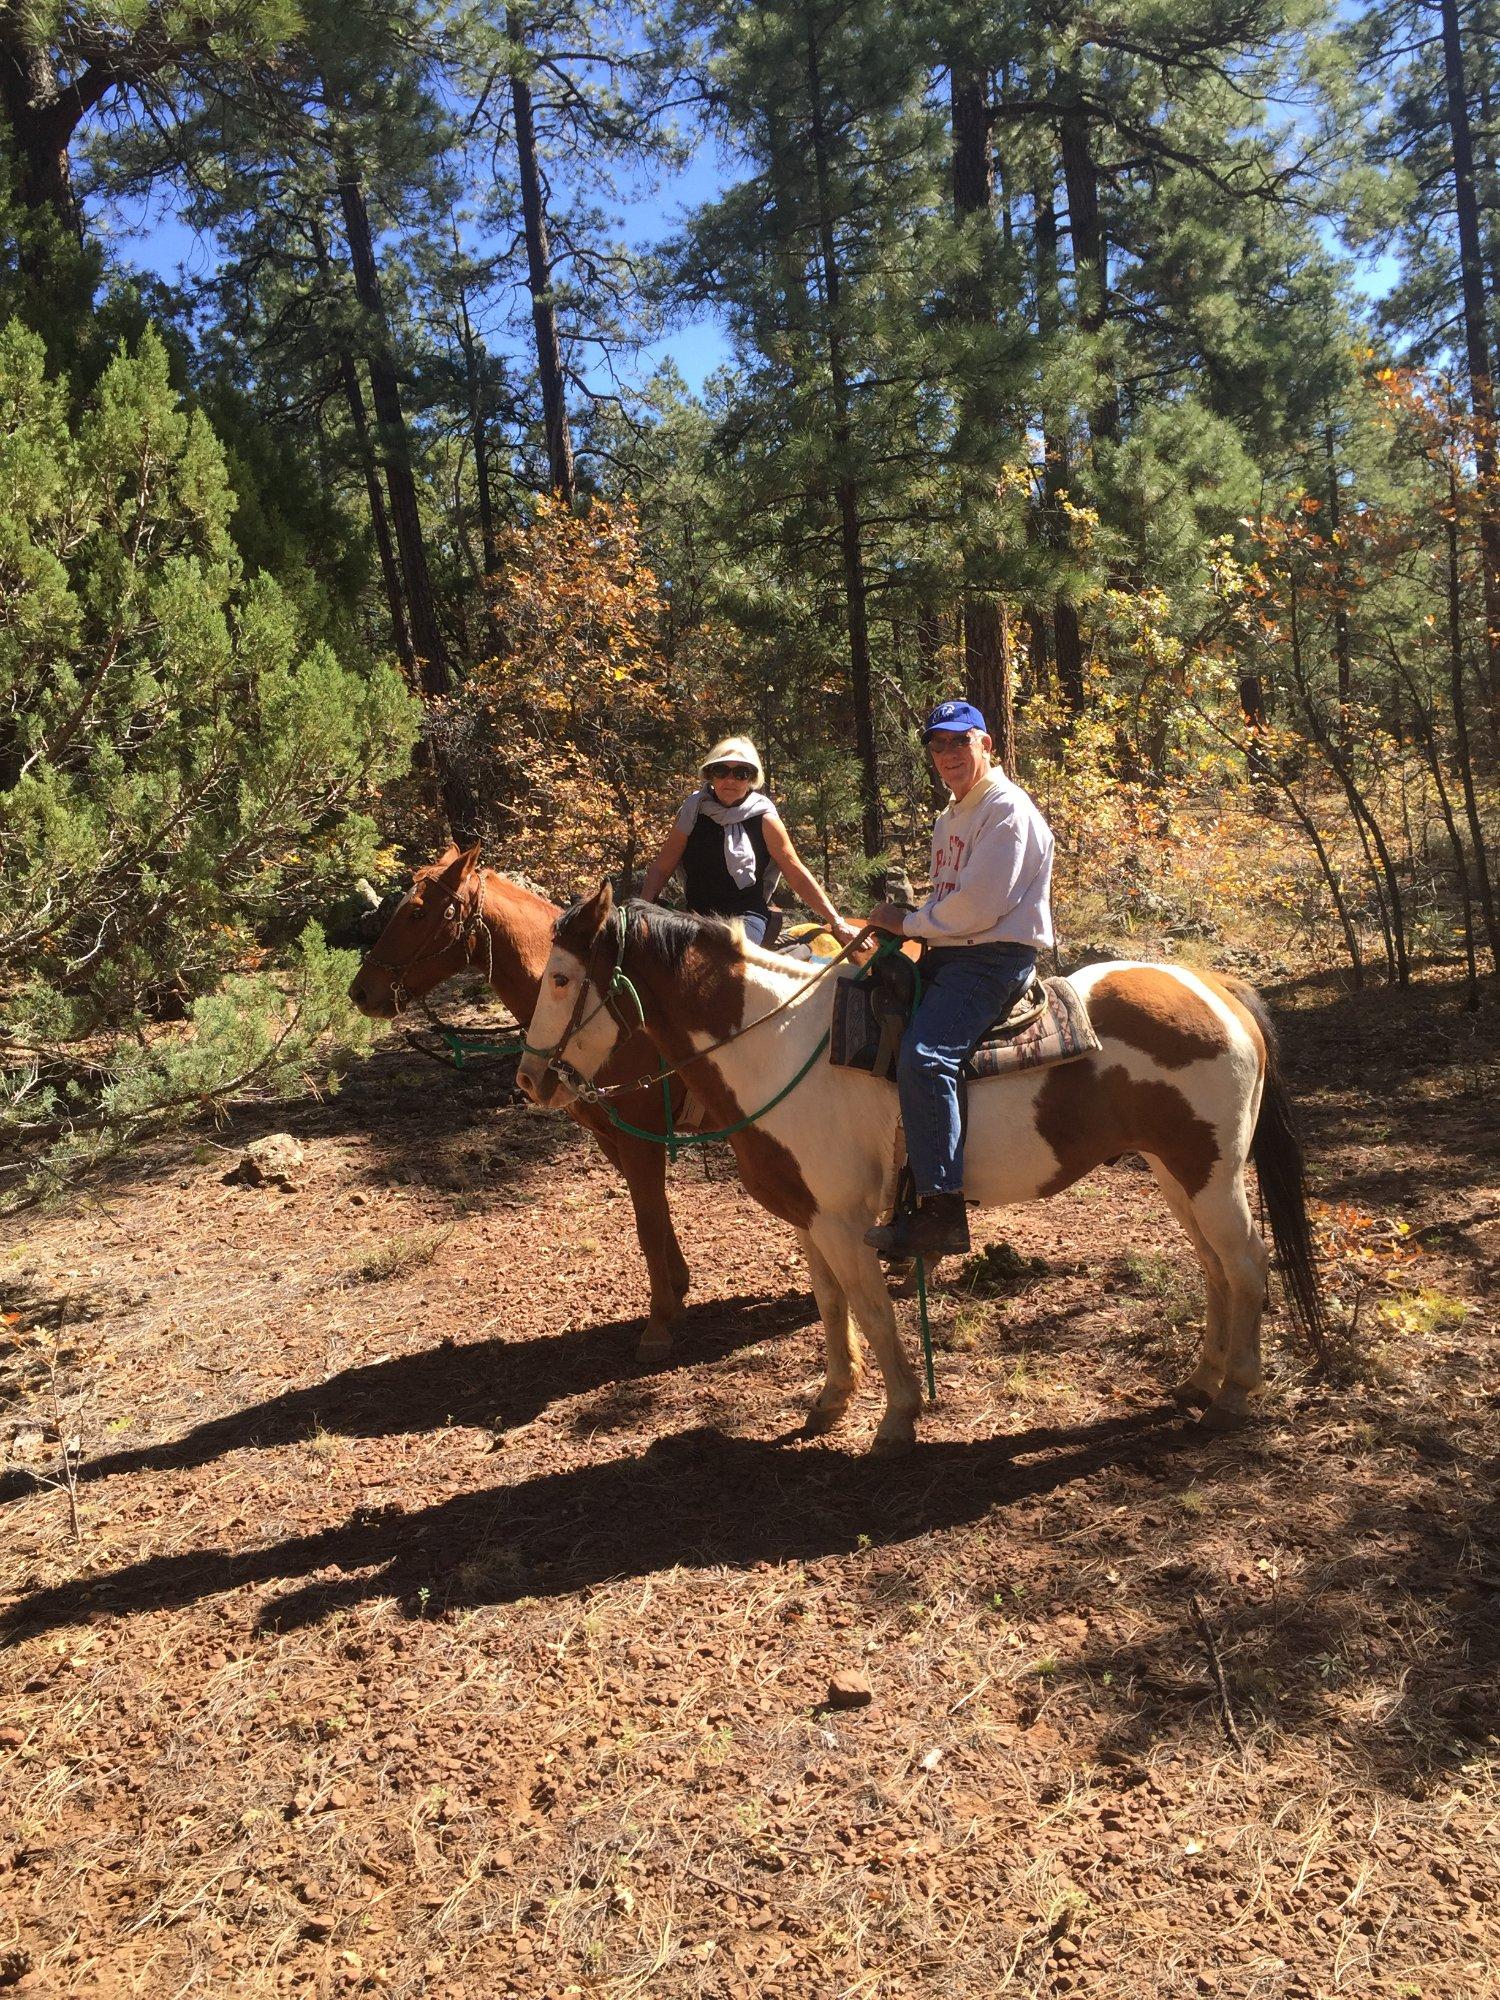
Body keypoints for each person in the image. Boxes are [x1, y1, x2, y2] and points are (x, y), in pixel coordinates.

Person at [862, 699, 1055, 1260]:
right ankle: (900, 1186)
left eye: (958, 742)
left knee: (926, 1056)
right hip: (953, 952)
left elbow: (982, 905)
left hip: (990, 958)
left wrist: (910, 923)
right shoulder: (952, 815)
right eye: (938, 744)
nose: (947, 753)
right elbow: (951, 896)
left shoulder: (1005, 809)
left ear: (986, 744)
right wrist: (911, 926)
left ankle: (943, 1210)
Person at [640, 735, 861, 949]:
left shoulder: (764, 819)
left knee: (725, 961)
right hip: (696, 916)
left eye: (741, 773)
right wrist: (641, 909)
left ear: (752, 779)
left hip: (745, 918)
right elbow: (662, 867)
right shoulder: (692, 811)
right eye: (721, 770)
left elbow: (796, 874)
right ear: (710, 775)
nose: (730, 780)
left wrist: (836, 921)